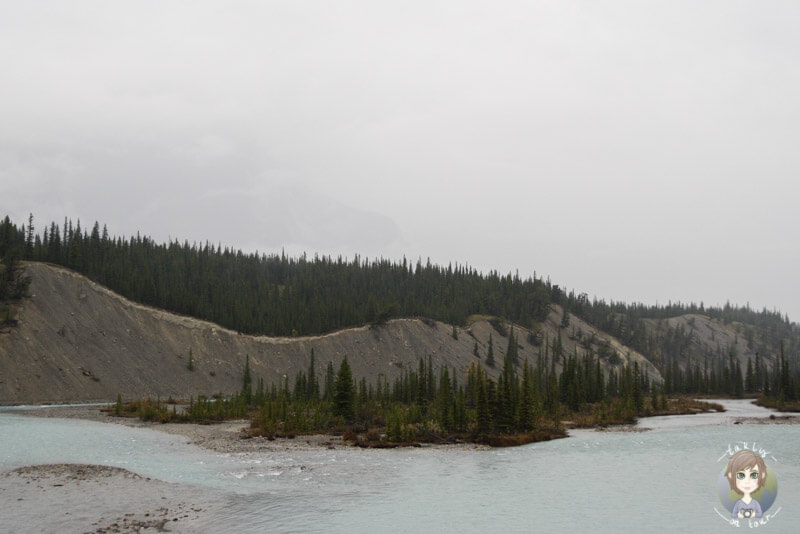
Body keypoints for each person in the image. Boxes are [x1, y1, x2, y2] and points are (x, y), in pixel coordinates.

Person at [725, 450, 767, 519]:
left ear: (762, 475)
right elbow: (733, 515)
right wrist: (740, 515)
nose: (747, 481)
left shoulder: (755, 503)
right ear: (731, 476)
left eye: (753, 475)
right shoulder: (738, 503)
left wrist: (752, 515)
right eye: (741, 475)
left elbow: (760, 514)